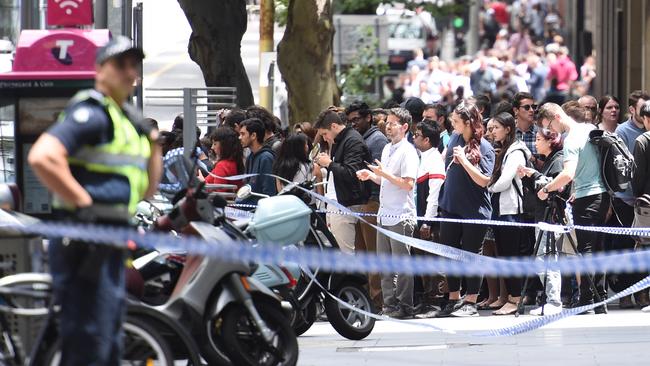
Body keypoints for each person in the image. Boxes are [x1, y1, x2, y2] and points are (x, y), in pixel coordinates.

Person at [27, 36, 161, 365]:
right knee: (90, 344)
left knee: (108, 343)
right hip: (87, 242)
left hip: (111, 243)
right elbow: (43, 157)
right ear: (100, 70)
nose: (129, 72)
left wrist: (155, 146)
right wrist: (83, 203)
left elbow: (145, 191)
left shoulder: (125, 121)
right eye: (120, 64)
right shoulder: (93, 113)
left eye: (134, 65)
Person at [537, 103, 610, 313]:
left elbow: (568, 174)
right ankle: (599, 298)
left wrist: (547, 189)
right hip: (603, 195)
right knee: (597, 247)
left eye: (549, 124)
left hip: (586, 197)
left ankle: (587, 299)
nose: (551, 130)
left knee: (585, 249)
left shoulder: (570, 140)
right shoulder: (589, 129)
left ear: (557, 116)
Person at [357, 108, 419, 319]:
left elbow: (408, 184)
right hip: (384, 214)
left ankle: (405, 306)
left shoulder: (408, 151)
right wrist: (373, 176)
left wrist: (384, 174)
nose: (388, 126)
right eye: (388, 122)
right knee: (384, 262)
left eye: (393, 123)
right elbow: (386, 181)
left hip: (401, 215)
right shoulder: (386, 149)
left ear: (404, 127)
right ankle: (389, 305)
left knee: (402, 264)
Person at [436, 101, 495, 318]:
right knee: (449, 252)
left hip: (474, 209)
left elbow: (484, 180)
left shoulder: (485, 147)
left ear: (468, 122)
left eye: (456, 121)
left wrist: (464, 160)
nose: (452, 125)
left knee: (472, 254)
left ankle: (471, 300)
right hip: (450, 206)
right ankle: (454, 298)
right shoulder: (453, 138)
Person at [486, 112, 532, 316]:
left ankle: (515, 298)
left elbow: (505, 181)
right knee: (504, 254)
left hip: (512, 211)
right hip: (501, 210)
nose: (492, 131)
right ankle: (513, 297)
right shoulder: (505, 149)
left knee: (511, 256)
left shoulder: (516, 152)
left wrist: (487, 188)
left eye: (496, 127)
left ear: (508, 129)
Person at [518, 128, 567, 315]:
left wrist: (534, 175)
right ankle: (551, 299)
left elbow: (554, 187)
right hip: (542, 216)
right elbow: (540, 191)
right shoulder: (548, 161)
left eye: (539, 139)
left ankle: (554, 301)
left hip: (551, 218)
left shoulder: (558, 160)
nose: (536, 142)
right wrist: (527, 178)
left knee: (547, 259)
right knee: (542, 259)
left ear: (550, 141)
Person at [345, 101, 387, 309]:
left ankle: (379, 301)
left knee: (373, 253)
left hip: (374, 200)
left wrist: (374, 200)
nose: (353, 123)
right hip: (363, 203)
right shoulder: (361, 138)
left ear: (368, 117)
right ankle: (370, 299)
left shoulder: (377, 140)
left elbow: (379, 173)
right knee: (362, 253)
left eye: (357, 119)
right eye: (350, 120)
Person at [610, 90, 650, 308]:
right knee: (628, 248)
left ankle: (643, 292)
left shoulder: (644, 138)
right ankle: (627, 293)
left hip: (643, 201)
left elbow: (640, 173)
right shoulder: (623, 131)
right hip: (628, 201)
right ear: (633, 110)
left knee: (643, 249)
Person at [314, 109, 372, 254]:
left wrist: (329, 164)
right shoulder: (340, 140)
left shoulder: (352, 140)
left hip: (345, 204)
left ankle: (350, 278)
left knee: (345, 255)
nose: (325, 138)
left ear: (334, 126)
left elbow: (352, 173)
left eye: (324, 134)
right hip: (337, 202)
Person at [411, 120, 447, 318]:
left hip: (430, 221)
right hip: (419, 218)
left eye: (417, 135)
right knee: (424, 262)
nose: (414, 137)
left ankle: (435, 303)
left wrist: (427, 221)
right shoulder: (422, 157)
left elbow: (434, 195)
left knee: (434, 262)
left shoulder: (434, 160)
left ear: (426, 140)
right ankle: (427, 300)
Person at [238, 118, 277, 204]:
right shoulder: (250, 157)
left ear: (253, 136)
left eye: (243, 134)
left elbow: (269, 192)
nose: (239, 137)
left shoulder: (266, 158)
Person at [512, 92, 538, 157]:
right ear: (516, 110)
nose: (531, 110)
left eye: (533, 107)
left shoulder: (541, 134)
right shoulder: (508, 132)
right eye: (527, 107)